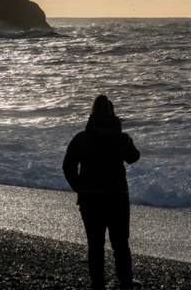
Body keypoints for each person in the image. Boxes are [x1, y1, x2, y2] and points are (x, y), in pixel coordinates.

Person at [63, 94, 141, 290]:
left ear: (92, 113)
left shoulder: (81, 139)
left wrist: (79, 187)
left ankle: (98, 285)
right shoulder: (122, 139)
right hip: (117, 198)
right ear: (112, 113)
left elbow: (68, 166)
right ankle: (125, 284)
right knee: (120, 245)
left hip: (90, 199)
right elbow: (134, 157)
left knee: (95, 246)